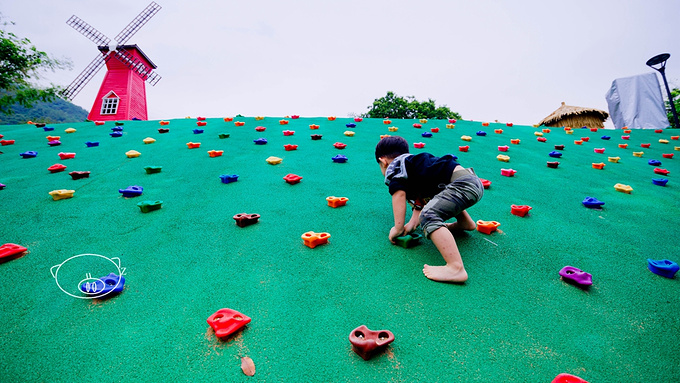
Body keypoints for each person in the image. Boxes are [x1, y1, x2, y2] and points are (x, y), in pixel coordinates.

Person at [375, 136, 484, 283]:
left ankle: (456, 268)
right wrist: (412, 224)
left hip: (462, 185)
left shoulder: (395, 166)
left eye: (381, 167)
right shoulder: (415, 168)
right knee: (432, 203)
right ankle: (465, 223)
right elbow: (420, 204)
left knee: (428, 215)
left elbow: (399, 194)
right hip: (471, 182)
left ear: (383, 161)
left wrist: (398, 228)